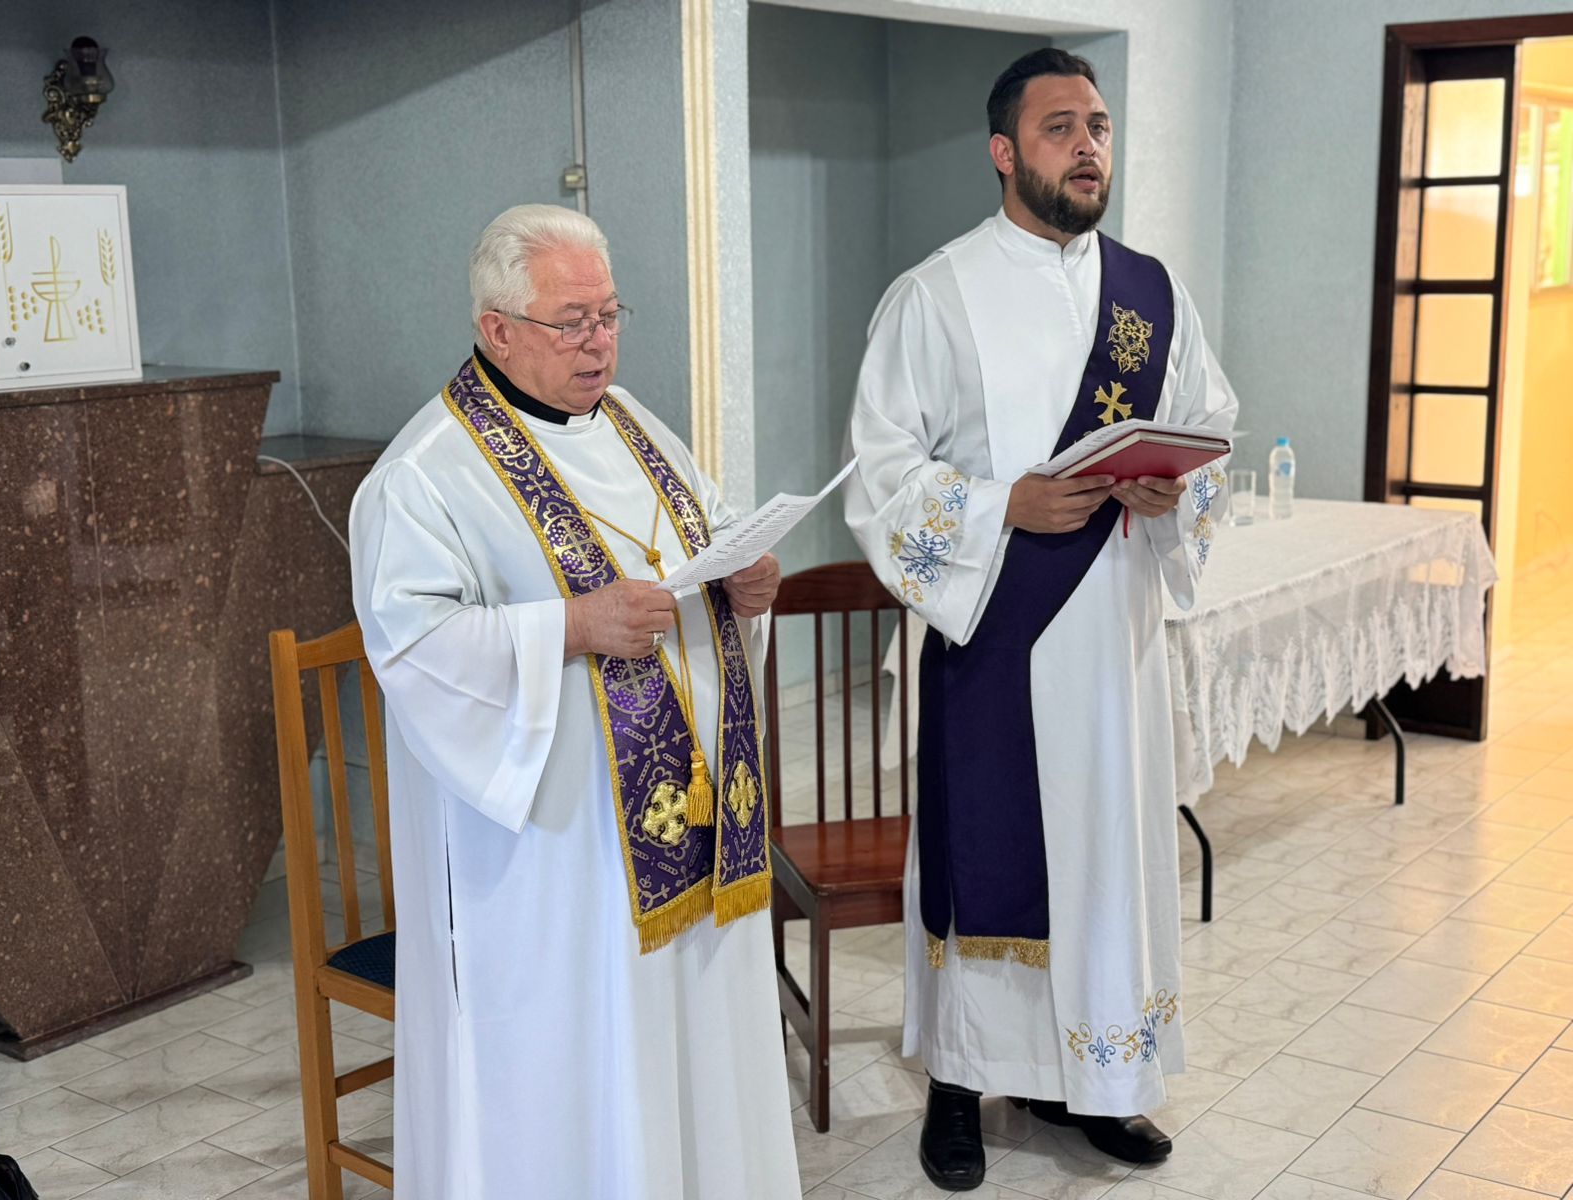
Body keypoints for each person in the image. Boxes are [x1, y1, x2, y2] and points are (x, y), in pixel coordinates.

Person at [842, 48, 1239, 1190]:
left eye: (1098, 127)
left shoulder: (1151, 294)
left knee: (1106, 856)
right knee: (988, 857)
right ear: (1003, 151)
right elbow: (879, 472)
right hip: (997, 636)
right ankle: (960, 1086)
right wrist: (996, 507)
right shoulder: (936, 294)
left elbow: (1209, 422)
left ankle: (1096, 1081)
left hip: (1115, 644)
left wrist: (1174, 488)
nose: (1087, 147)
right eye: (1060, 128)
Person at [349, 204, 799, 1200]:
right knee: (587, 1066)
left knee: (690, 1046)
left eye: (608, 315)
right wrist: (568, 626)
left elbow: (712, 531)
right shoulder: (424, 474)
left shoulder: (633, 425)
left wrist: (747, 583)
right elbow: (410, 646)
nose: (599, 343)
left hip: (694, 834)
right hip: (555, 863)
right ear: (497, 328)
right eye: (572, 322)